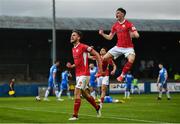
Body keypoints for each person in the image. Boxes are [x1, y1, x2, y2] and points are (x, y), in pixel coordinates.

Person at [66, 30, 103, 120]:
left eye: (74, 35)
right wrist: (72, 66)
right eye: (71, 35)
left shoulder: (83, 46)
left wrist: (100, 69)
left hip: (85, 74)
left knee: (77, 91)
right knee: (85, 95)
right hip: (78, 75)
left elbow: (97, 54)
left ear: (78, 37)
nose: (72, 37)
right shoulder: (73, 49)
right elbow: (79, 62)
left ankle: (75, 115)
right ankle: (97, 107)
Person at [99, 8, 139, 82]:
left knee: (131, 59)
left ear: (123, 14)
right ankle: (103, 72)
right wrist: (102, 34)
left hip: (128, 47)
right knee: (103, 58)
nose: (116, 14)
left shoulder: (129, 24)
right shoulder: (115, 26)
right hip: (118, 47)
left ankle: (122, 75)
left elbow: (136, 35)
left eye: (118, 13)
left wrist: (134, 35)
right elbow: (110, 37)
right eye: (116, 13)